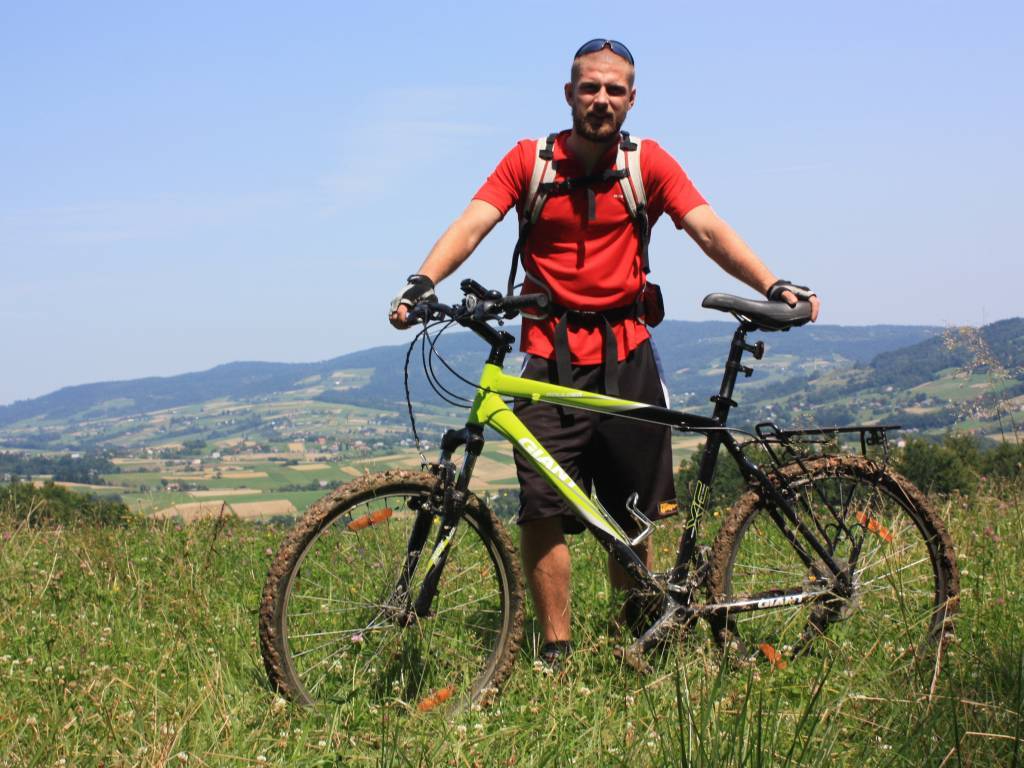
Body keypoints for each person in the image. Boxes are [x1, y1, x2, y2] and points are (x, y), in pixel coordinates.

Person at [389, 39, 821, 669]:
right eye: (590, 87)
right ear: (569, 94)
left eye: (614, 90)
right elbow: (473, 222)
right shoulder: (529, 162)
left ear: (631, 99)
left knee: (632, 511)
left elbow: (707, 227)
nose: (601, 99)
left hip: (629, 354)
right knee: (541, 508)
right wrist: (422, 281)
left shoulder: (647, 164)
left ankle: (638, 634)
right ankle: (556, 650)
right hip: (548, 356)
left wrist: (772, 284)